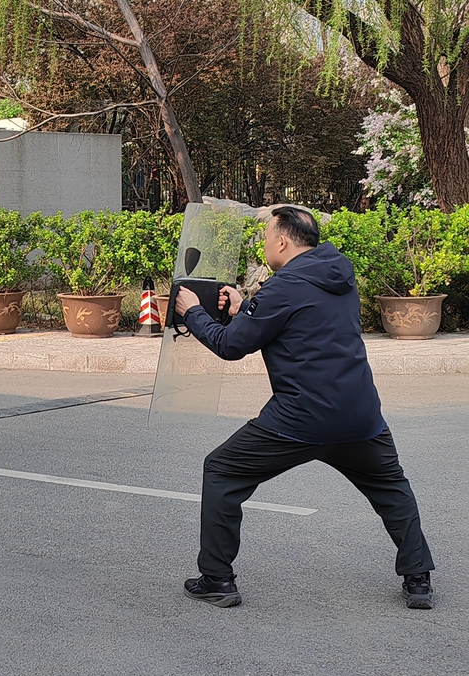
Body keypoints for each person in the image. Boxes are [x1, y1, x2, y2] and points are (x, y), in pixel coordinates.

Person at [175, 206, 435, 609]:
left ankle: (217, 579)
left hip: (298, 420)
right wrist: (245, 307)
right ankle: (418, 579)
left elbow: (230, 346)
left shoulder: (282, 288)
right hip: (360, 414)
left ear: (282, 241)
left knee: (221, 469)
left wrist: (191, 312)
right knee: (392, 490)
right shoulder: (340, 277)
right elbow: (298, 324)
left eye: (266, 236)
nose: (264, 243)